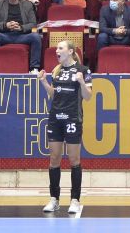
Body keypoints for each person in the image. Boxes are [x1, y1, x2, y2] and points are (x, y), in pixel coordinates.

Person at [38, 40, 93, 215]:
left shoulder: (84, 71)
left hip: (72, 119)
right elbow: (54, 93)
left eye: (60, 48)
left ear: (70, 51)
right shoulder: (57, 70)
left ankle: (75, 200)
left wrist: (82, 82)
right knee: (54, 158)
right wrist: (44, 82)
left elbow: (88, 96)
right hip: (55, 118)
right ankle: (54, 199)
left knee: (74, 160)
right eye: (57, 48)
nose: (57, 51)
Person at [0, 0, 43, 69]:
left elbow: (33, 23)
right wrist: (5, 25)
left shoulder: (27, 4)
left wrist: (21, 28)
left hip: (22, 36)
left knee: (36, 37)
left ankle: (34, 68)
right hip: (5, 35)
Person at [97, 0, 130, 67]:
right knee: (102, 36)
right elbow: (102, 28)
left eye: (114, 0)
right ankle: (101, 65)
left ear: (122, 1)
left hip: (126, 38)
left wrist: (124, 31)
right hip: (111, 37)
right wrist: (115, 31)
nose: (111, 2)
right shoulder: (104, 10)